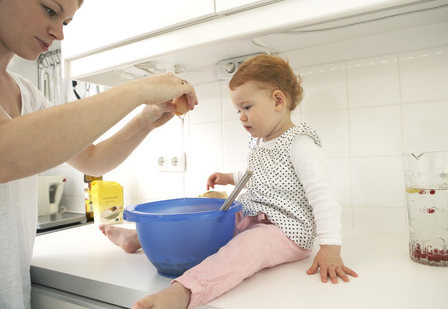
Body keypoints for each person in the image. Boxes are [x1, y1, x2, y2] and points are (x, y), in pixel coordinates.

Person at [101, 54, 357, 309]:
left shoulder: (301, 144)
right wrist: (228, 178)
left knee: (244, 250)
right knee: (210, 219)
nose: (241, 116)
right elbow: (257, 174)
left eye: (247, 107)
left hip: (286, 231)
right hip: (252, 215)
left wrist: (330, 248)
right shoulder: (261, 141)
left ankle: (184, 292)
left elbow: (323, 198)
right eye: (238, 110)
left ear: (278, 100)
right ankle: (140, 238)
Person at [0, 0, 198, 307]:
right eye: (50, 11)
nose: (60, 33)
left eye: (66, 21)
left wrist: (145, 121)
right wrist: (137, 89)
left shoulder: (28, 93)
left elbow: (92, 159)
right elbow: (6, 154)